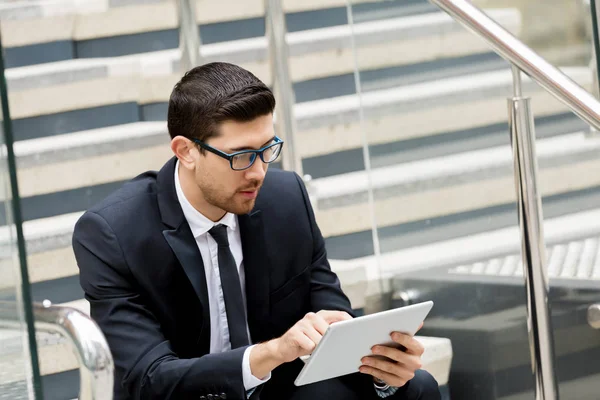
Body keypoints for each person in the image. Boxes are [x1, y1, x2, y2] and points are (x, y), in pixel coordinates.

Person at [72, 62, 441, 400]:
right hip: (188, 393)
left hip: (278, 387)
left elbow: (331, 315)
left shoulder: (286, 198)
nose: (258, 172)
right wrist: (271, 353)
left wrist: (381, 366)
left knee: (414, 387)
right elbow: (149, 378)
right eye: (241, 155)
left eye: (268, 149)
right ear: (185, 151)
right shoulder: (112, 234)